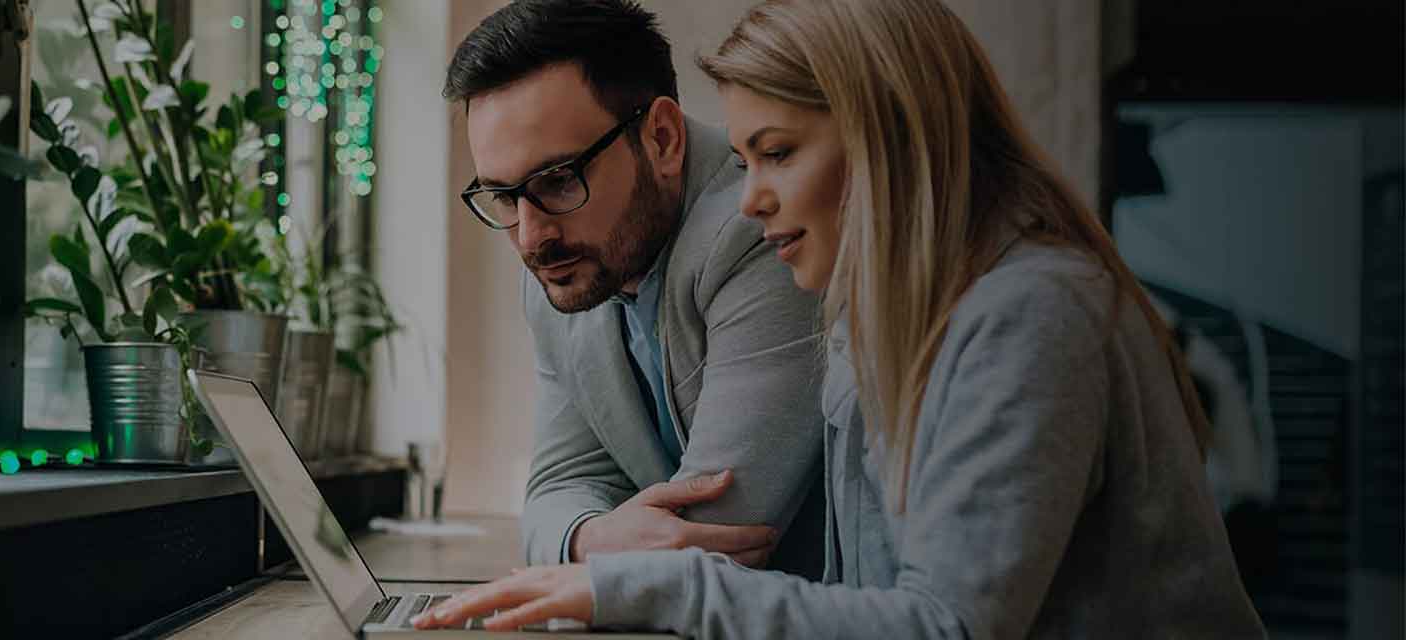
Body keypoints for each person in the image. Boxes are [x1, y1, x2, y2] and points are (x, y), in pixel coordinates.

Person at [416, 0, 1269, 636]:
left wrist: (637, 581)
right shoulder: (882, 318)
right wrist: (599, 547)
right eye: (748, 158)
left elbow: (946, 627)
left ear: (892, 139)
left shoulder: (1031, 312)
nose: (750, 200)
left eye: (779, 154)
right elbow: (871, 597)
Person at [444, 0, 827, 577]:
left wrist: (592, 546)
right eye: (503, 195)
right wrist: (589, 539)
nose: (530, 237)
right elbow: (558, 488)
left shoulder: (768, 228)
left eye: (557, 179)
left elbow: (716, 534)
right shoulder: (569, 266)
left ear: (664, 139)